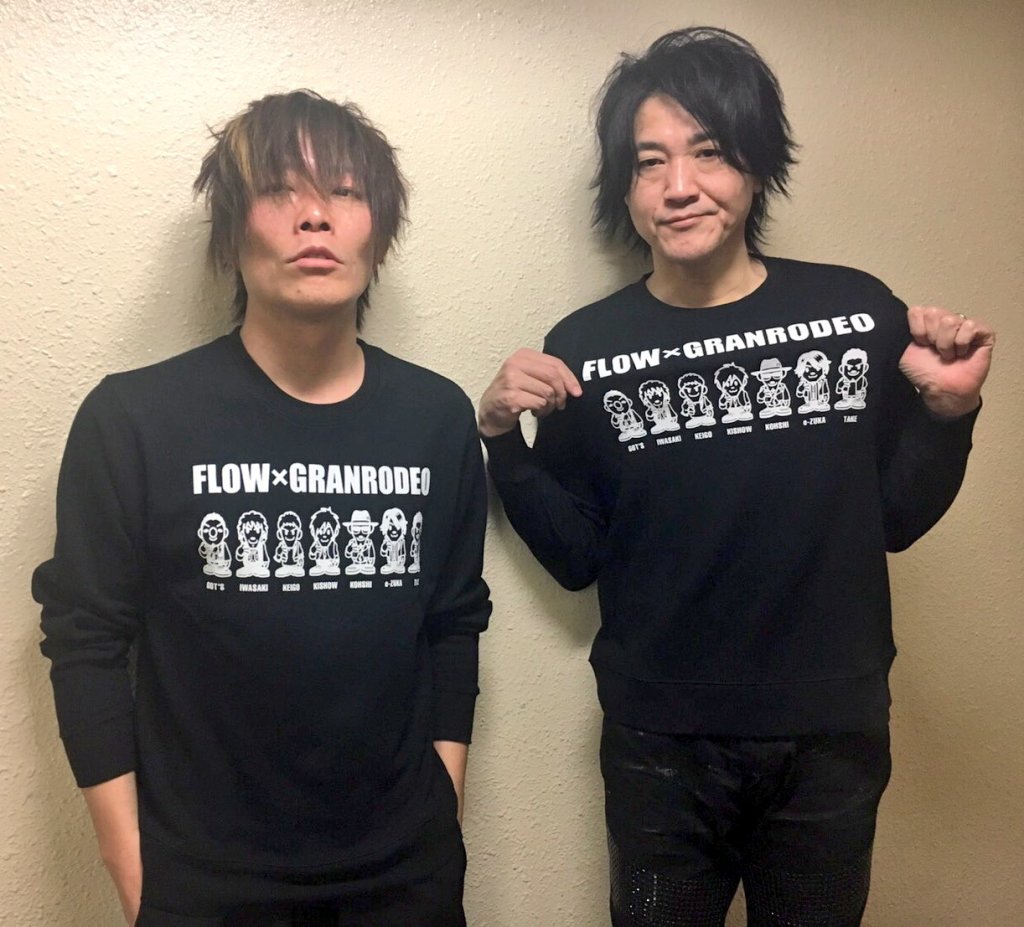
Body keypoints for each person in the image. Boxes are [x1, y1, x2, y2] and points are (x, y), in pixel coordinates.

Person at [477, 27, 994, 927]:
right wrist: (503, 444)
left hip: (830, 738)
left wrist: (948, 416)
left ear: (755, 165)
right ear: (625, 188)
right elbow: (576, 557)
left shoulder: (855, 313)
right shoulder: (586, 347)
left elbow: (895, 518)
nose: (678, 186)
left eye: (708, 151)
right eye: (649, 162)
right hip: (659, 745)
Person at [34, 90, 491, 927]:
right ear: (231, 226)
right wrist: (135, 874)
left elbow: (454, 622)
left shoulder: (436, 417)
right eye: (279, 190)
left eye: (345, 190)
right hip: (206, 885)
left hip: (405, 878)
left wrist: (443, 805)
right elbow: (85, 640)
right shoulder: (134, 419)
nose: (315, 216)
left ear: (380, 228)